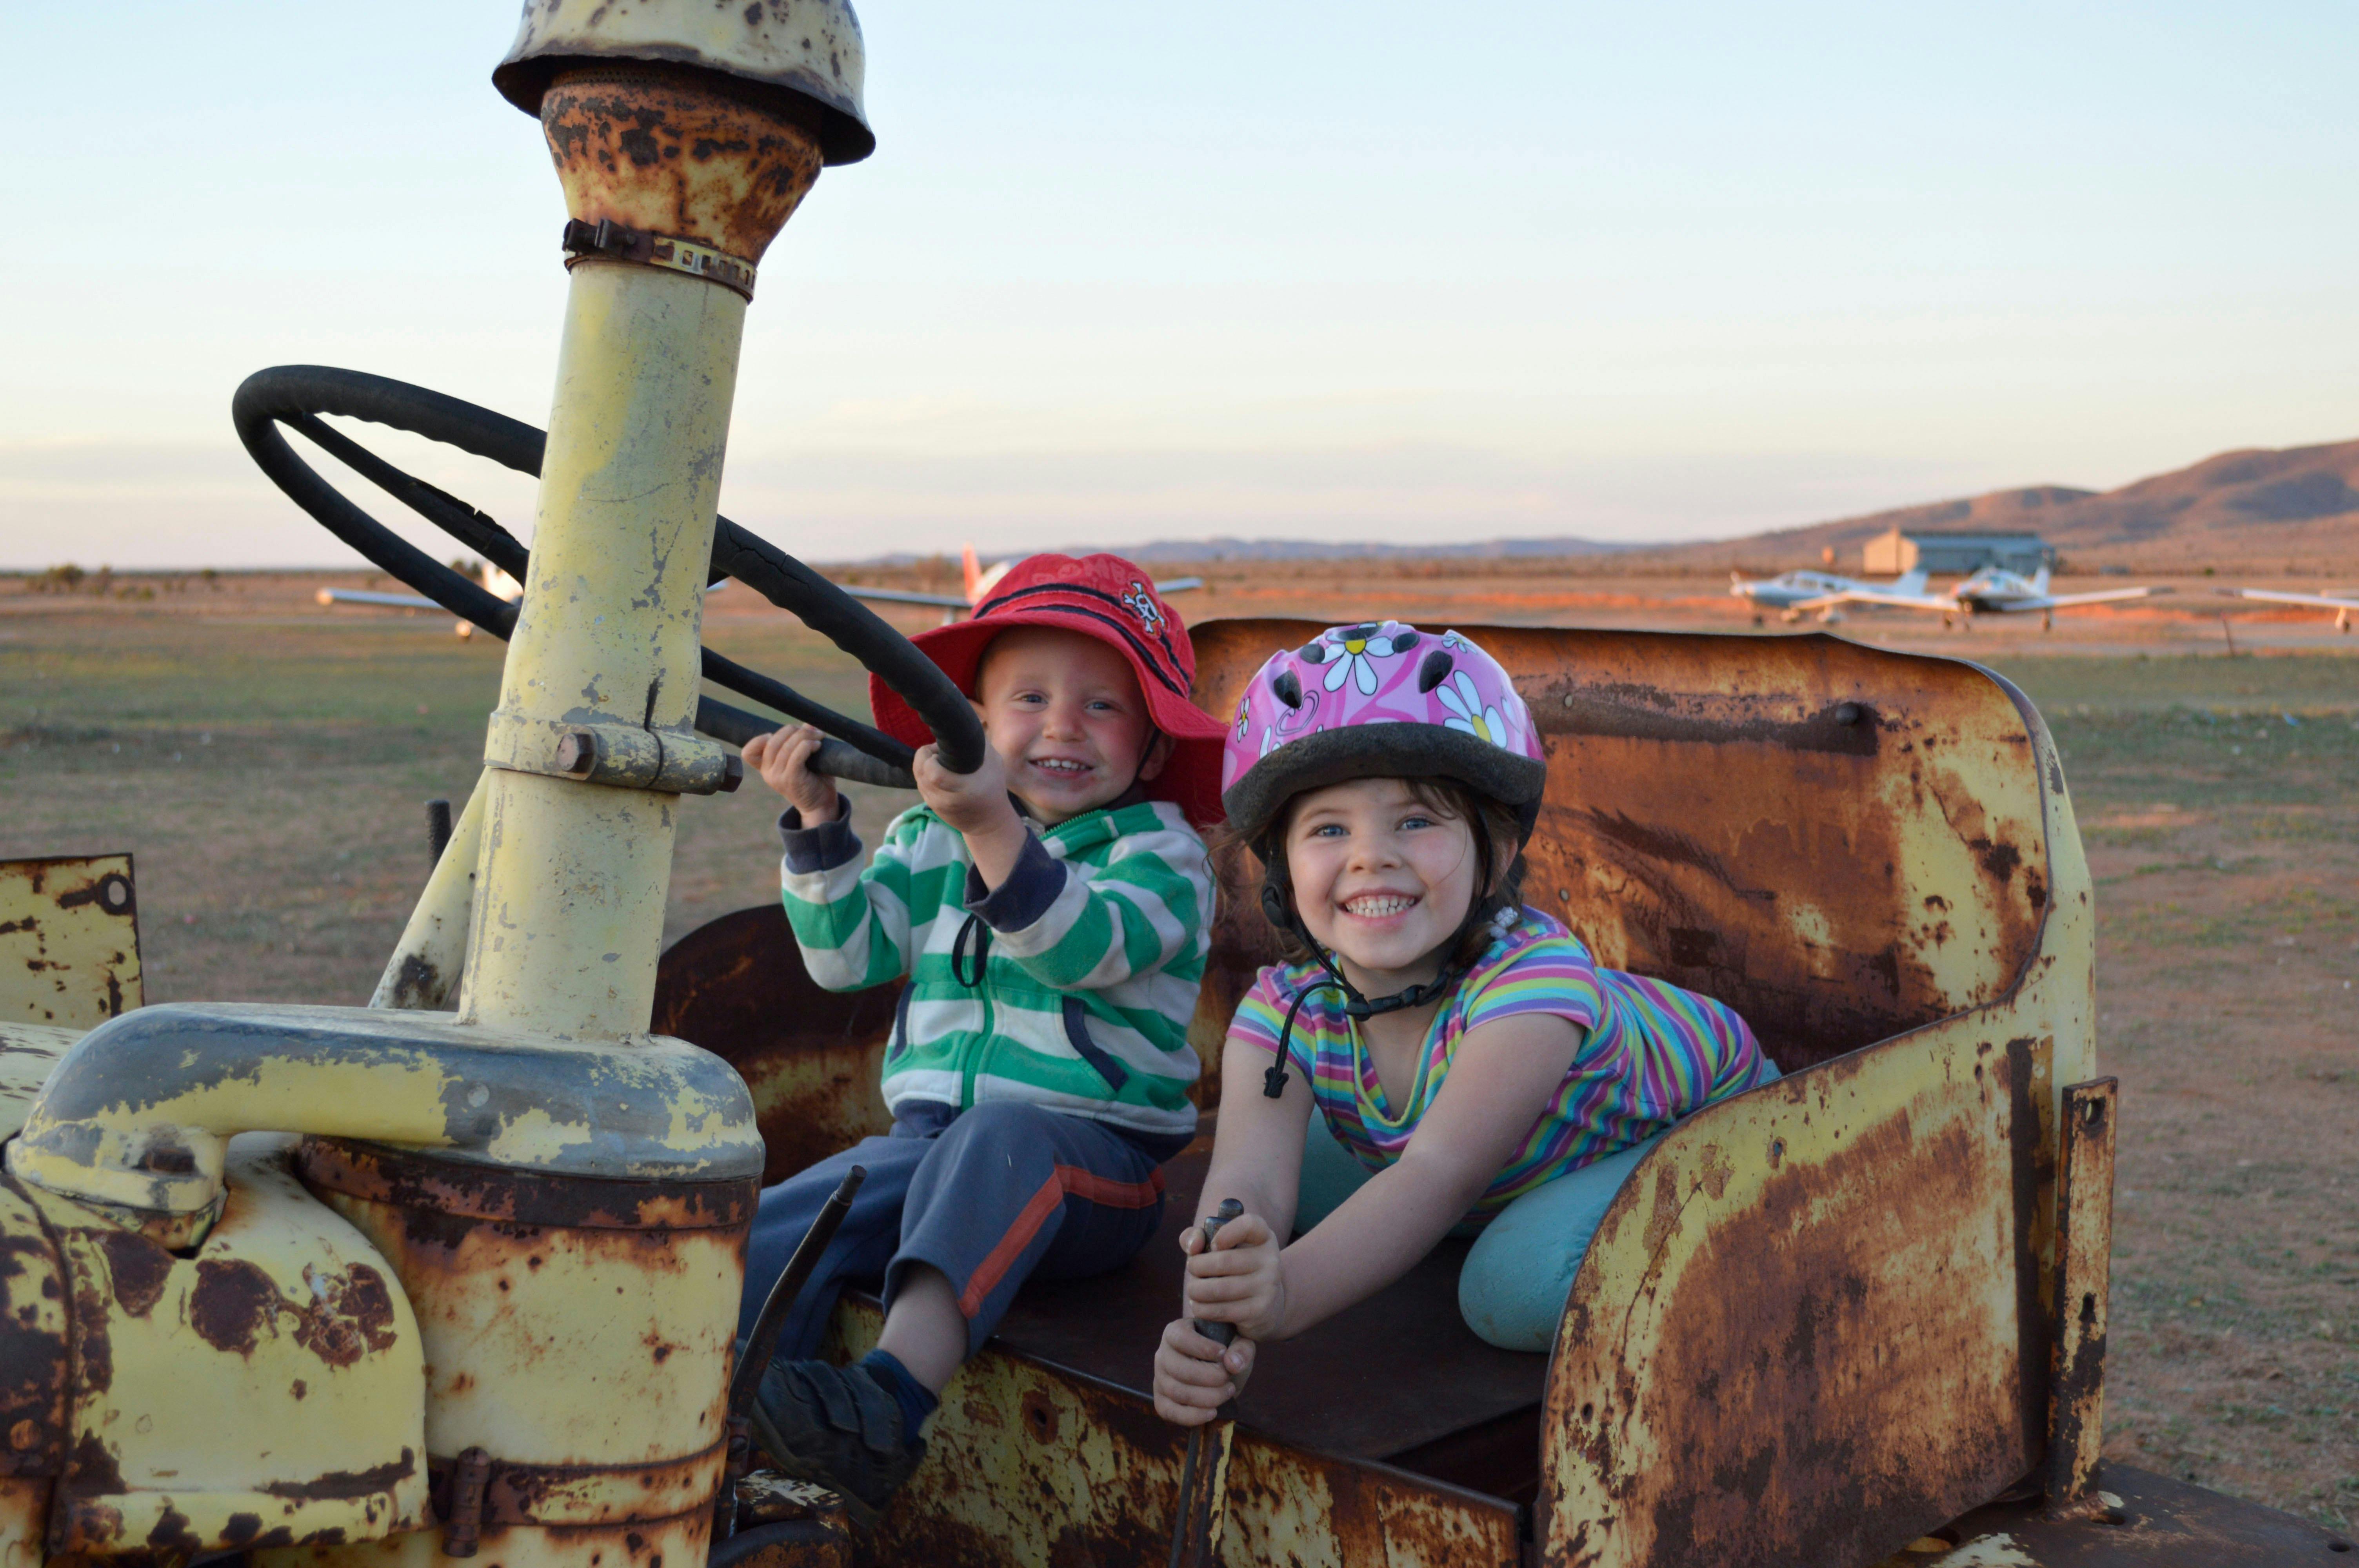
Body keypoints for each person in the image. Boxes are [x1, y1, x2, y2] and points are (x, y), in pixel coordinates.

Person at [1153, 622, 1779, 1428]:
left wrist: (1286, 1296)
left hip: (1707, 1131)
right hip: (1524, 1151)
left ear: (1497, 850)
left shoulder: (1533, 981)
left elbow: (1434, 1176)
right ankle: (1504, 1218)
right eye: (1329, 829)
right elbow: (1249, 1182)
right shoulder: (1287, 1006)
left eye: (1416, 821)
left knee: (1507, 1287)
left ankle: (1753, 1253)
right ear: (1280, 870)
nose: (1370, 856)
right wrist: (1211, 1326)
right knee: (1289, 1186)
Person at [736, 553, 1230, 1523]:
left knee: (999, 1137)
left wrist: (991, 824)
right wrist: (818, 821)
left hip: (1096, 1165)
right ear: (970, 721)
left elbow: (1075, 944)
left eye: (1102, 706)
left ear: (1153, 749)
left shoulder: (1162, 856)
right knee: (793, 1211)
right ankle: (729, 1408)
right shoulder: (929, 835)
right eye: (1029, 698)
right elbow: (847, 958)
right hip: (930, 1148)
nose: (1062, 726)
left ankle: (885, 1404)